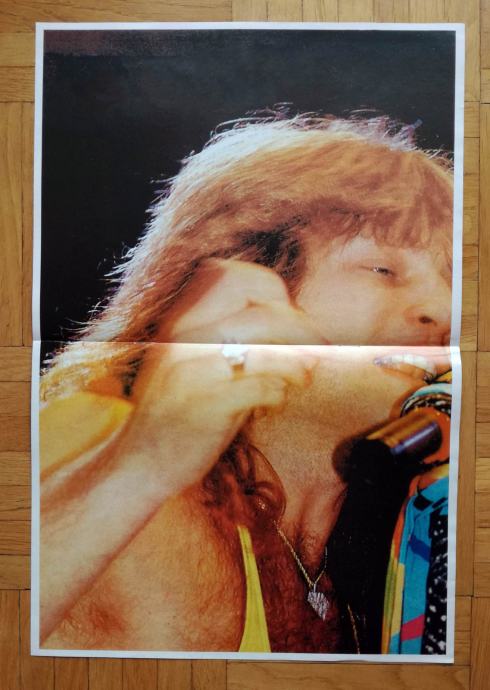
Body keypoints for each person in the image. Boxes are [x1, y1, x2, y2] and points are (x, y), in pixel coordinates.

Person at [38, 114, 453, 653]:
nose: (444, 310)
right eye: (383, 270)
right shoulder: (99, 434)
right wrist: (142, 463)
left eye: (454, 281)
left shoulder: (408, 522)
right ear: (251, 277)